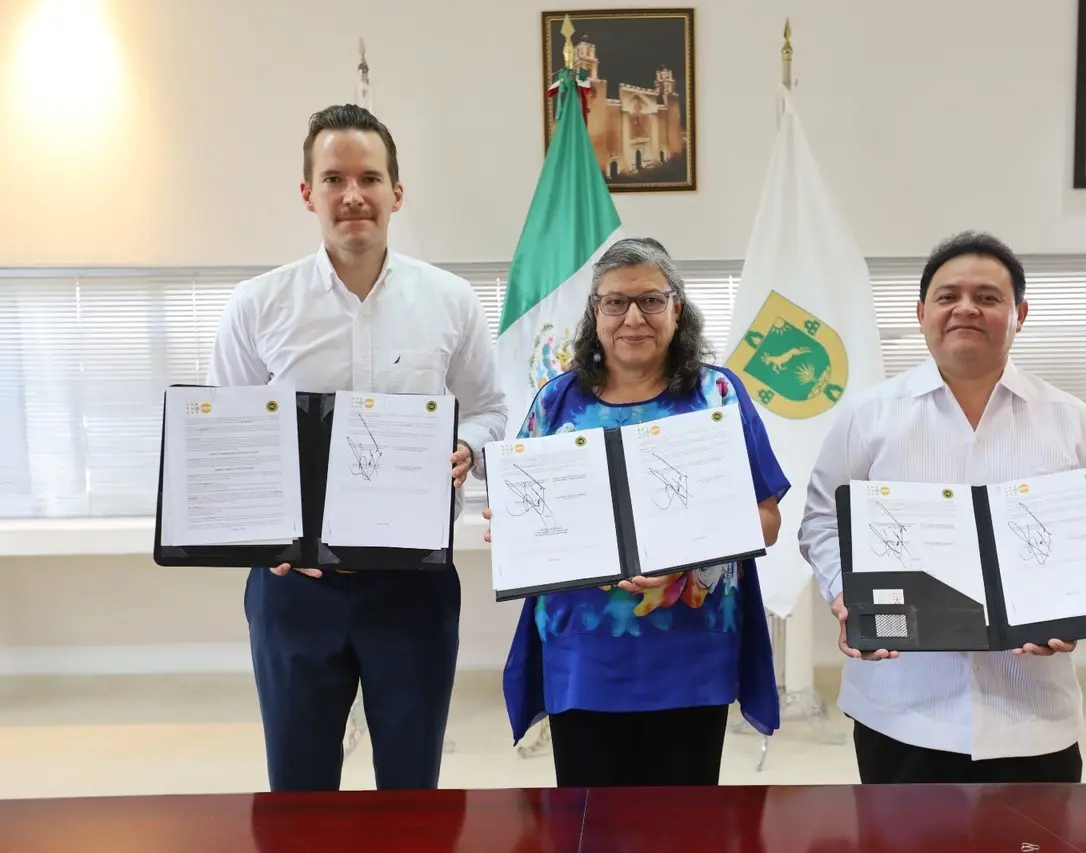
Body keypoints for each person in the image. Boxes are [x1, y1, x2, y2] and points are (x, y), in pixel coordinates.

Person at [205, 104, 507, 791]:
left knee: (411, 789)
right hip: (294, 590)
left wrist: (467, 447)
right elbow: (229, 441)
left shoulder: (451, 301)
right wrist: (259, 541)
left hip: (415, 585)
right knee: (299, 789)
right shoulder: (257, 305)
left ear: (396, 192)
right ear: (307, 193)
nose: (352, 195)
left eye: (369, 177)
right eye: (333, 177)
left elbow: (492, 410)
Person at [798, 230, 1086, 785]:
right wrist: (843, 588)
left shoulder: (1072, 422)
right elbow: (822, 520)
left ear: (1020, 313)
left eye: (988, 297)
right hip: (900, 708)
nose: (965, 308)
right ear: (922, 312)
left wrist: (1079, 613)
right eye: (948, 296)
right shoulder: (868, 416)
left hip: (1033, 712)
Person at [485, 237, 789, 787]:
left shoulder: (717, 394)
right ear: (594, 314)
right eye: (614, 302)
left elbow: (767, 519)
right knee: (588, 823)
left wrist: (688, 554)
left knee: (685, 826)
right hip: (583, 653)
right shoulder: (555, 403)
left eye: (651, 300)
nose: (633, 318)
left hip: (692, 649)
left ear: (677, 309)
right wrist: (514, 530)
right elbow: (522, 519)